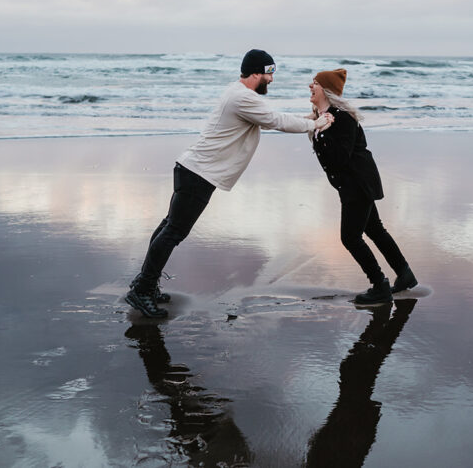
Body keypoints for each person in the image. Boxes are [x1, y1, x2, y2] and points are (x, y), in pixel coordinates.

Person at [126, 49, 334, 318]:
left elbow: (272, 118)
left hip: (193, 170)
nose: (271, 80)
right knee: (173, 231)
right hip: (198, 173)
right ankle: (142, 289)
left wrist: (309, 120)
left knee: (169, 227)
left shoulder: (239, 94)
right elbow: (275, 121)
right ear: (256, 72)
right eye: (269, 74)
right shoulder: (242, 98)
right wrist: (315, 123)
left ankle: (146, 283)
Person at [308, 68, 417, 304]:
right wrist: (317, 125)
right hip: (353, 184)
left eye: (314, 83)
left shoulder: (342, 118)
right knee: (375, 230)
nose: (310, 86)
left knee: (350, 238)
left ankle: (379, 285)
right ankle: (405, 274)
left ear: (326, 90)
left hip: (358, 185)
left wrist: (321, 130)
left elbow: (339, 158)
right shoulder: (324, 117)